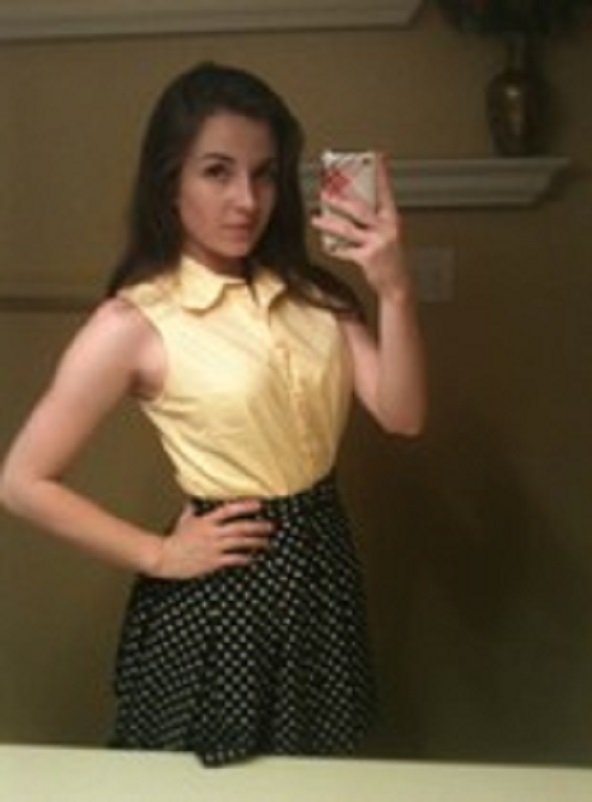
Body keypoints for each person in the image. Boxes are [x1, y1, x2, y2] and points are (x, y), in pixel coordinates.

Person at [0, 62, 426, 766]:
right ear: (170, 182)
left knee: (314, 777)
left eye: (264, 174)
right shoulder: (134, 323)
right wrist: (159, 553)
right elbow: (22, 482)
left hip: (324, 570)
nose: (246, 200)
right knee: (204, 780)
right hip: (221, 591)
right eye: (217, 172)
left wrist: (396, 292)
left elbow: (403, 414)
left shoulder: (316, 296)